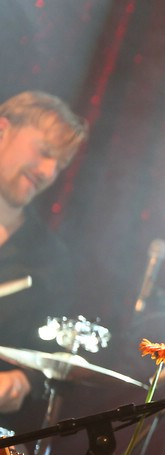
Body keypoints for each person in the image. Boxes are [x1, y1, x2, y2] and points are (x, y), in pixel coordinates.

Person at [0, 90, 88, 428]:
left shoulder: (50, 260)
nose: (49, 171)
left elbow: (46, 358)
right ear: (3, 129)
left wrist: (22, 381)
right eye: (45, 152)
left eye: (60, 164)